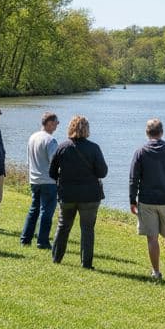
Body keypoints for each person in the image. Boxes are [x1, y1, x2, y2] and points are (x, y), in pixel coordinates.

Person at [129, 118, 165, 281]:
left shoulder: (140, 152)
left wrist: (132, 200)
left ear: (147, 133)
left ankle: (156, 272)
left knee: (152, 239)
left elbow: (134, 179)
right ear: (161, 132)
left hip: (147, 201)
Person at [49, 115, 108, 269]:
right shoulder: (94, 148)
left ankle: (56, 258)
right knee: (87, 229)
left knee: (63, 226)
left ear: (70, 128)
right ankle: (86, 263)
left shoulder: (62, 147)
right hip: (90, 195)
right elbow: (102, 172)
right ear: (87, 129)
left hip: (67, 194)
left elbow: (52, 172)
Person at [20, 111, 60, 249]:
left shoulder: (32, 137)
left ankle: (25, 238)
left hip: (34, 180)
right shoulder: (50, 140)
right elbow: (54, 163)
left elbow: (28, 161)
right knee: (46, 212)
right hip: (48, 181)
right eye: (56, 122)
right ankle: (42, 241)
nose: (57, 125)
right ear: (49, 123)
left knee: (34, 209)